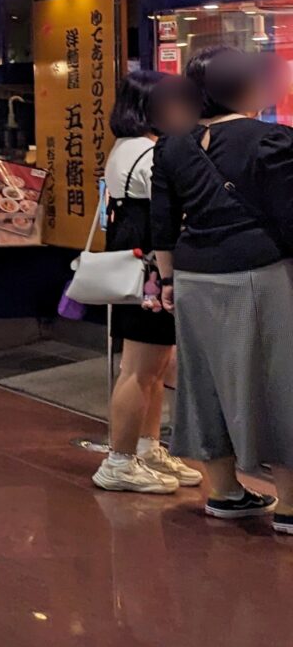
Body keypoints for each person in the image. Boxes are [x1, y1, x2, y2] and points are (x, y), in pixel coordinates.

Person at [148, 46, 293, 529]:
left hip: (193, 276)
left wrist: (168, 280)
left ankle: (226, 492)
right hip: (259, 272)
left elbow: (162, 222)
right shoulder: (271, 139)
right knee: (278, 382)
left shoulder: (172, 146)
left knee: (203, 381)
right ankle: (290, 505)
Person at [92, 71, 202, 493]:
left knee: (152, 368)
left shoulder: (129, 147)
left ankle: (146, 447)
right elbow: (175, 210)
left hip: (138, 265)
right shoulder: (149, 153)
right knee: (139, 370)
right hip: (151, 271)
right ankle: (118, 461)